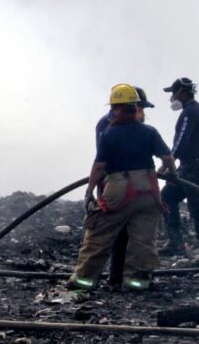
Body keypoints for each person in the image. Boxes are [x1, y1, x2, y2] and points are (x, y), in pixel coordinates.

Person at [70, 84, 176, 290]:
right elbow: (168, 157)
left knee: (99, 234)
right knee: (143, 239)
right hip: (148, 190)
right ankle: (136, 282)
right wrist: (170, 172)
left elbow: (99, 165)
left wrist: (89, 190)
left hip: (119, 188)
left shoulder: (110, 133)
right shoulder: (149, 131)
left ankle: (84, 280)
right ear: (135, 107)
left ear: (116, 108)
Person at [95, 86, 155, 287]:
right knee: (117, 233)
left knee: (136, 234)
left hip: (132, 185)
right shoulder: (109, 125)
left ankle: (128, 278)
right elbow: (104, 160)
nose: (142, 113)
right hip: (117, 184)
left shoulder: (130, 124)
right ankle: (116, 277)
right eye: (140, 107)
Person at [159, 77, 199, 266]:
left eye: (173, 94)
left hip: (193, 168)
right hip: (194, 166)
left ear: (183, 93)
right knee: (167, 195)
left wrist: (166, 165)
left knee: (198, 209)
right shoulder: (196, 109)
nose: (172, 98)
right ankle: (176, 244)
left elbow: (180, 143)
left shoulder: (189, 113)